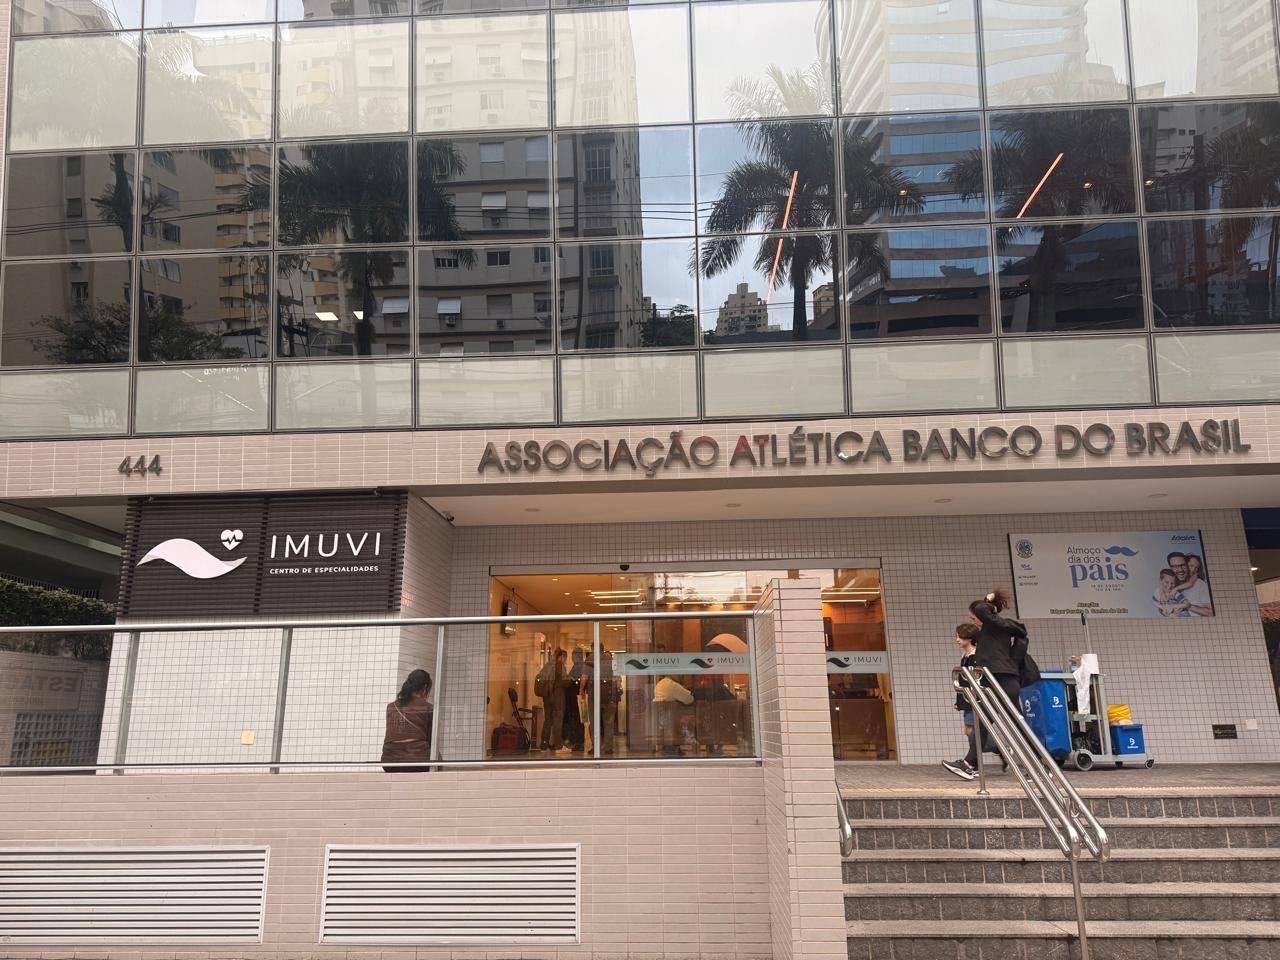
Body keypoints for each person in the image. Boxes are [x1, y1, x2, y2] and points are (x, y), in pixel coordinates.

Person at [943, 589, 1025, 781]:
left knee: (1018, 726)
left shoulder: (995, 626)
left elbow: (981, 609)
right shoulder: (994, 629)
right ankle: (969, 764)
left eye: (973, 618)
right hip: (996, 681)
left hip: (1002, 680)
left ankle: (1041, 764)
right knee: (983, 724)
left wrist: (989, 600)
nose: (973, 622)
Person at [952, 623, 1006, 776]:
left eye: (959, 637)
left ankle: (972, 764)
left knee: (972, 731)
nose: (957, 640)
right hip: (968, 699)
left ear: (969, 638)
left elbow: (976, 681)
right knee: (971, 732)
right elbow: (963, 681)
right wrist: (959, 702)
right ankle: (999, 749)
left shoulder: (976, 657)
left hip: (976, 700)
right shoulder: (966, 656)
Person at [381, 669, 433, 773]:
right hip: (417, 761)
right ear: (425, 688)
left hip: (389, 762)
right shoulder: (428, 708)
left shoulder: (391, 707)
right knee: (438, 759)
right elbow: (432, 739)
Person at [535, 649, 567, 751]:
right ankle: (558, 745)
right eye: (564, 657)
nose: (565, 660)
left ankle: (544, 745)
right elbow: (564, 681)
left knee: (548, 720)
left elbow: (540, 678)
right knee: (558, 721)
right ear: (561, 657)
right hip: (557, 697)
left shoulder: (547, 665)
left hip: (547, 697)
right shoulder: (560, 666)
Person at [1168, 552, 1213, 617]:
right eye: (1191, 566)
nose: (1193, 570)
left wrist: (1187, 605)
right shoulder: (1172, 582)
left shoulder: (1200, 584)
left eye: (1196, 567)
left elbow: (1211, 612)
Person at [564, 647, 588, 752]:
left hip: (575, 698)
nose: (572, 658)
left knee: (576, 721)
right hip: (578, 697)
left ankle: (578, 743)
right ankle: (579, 742)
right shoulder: (581, 666)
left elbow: (571, 679)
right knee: (579, 720)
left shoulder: (578, 666)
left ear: (575, 656)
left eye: (572, 656)